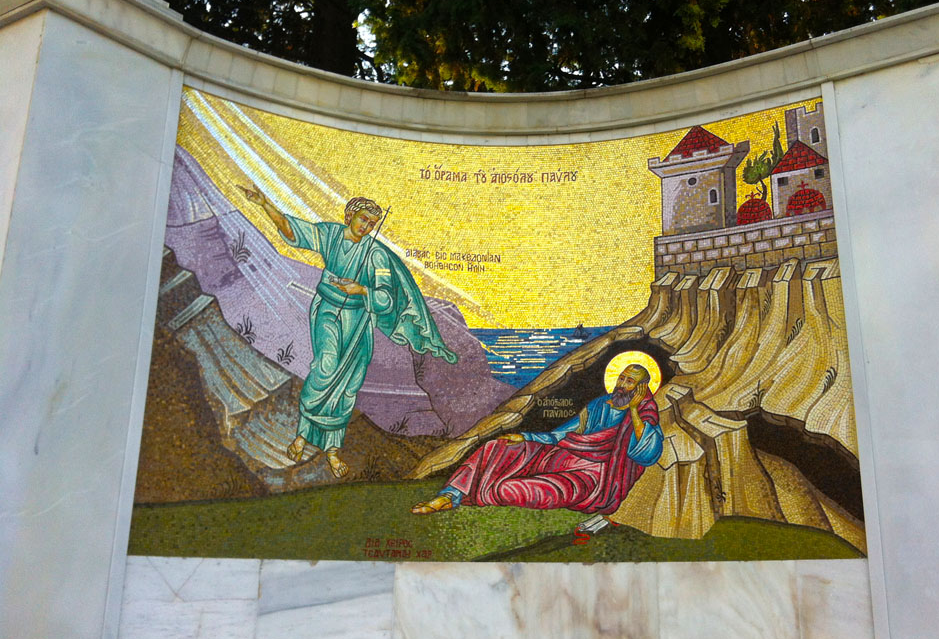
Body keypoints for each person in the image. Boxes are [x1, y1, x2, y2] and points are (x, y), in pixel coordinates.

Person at [239, 185, 457, 478]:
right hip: (328, 310)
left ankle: (332, 450)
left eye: (371, 223)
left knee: (348, 384)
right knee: (326, 366)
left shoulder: (376, 255)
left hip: (359, 320)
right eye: (363, 219)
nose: (366, 226)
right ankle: (302, 434)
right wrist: (265, 204)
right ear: (349, 215)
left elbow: (386, 298)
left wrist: (362, 290)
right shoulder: (330, 234)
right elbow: (293, 231)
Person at [411, 364, 662, 514]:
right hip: (559, 456)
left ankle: (488, 491)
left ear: (642, 388)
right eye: (622, 378)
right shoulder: (599, 405)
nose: (622, 384)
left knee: (508, 490)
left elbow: (646, 454)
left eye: (630, 381)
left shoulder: (644, 415)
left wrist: (634, 410)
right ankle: (450, 495)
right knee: (498, 446)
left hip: (589, 477)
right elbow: (559, 435)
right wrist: (524, 436)